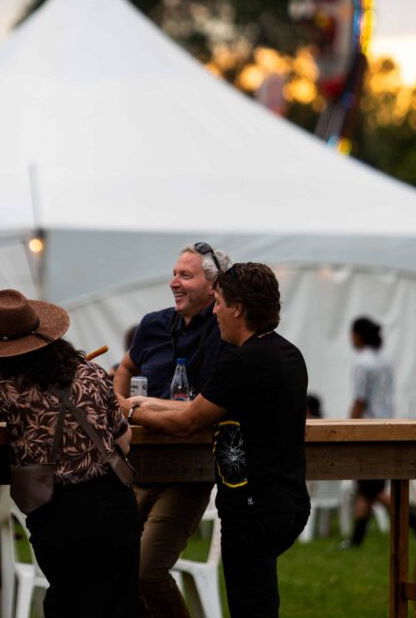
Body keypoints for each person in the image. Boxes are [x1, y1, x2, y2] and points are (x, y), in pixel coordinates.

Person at [129, 262, 310, 618]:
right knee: (260, 602)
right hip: (288, 500)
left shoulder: (242, 362)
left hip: (253, 506)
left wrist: (129, 412)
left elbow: (186, 422)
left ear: (238, 309)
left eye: (219, 303)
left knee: (251, 607)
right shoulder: (288, 354)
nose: (214, 312)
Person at [0, 289, 141, 618]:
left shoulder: (6, 388)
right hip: (116, 506)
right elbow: (124, 439)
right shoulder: (93, 373)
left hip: (58, 513)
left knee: (68, 603)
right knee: (122, 605)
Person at [113, 241, 231, 618]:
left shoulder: (223, 330)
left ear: (214, 287)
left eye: (185, 275)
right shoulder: (153, 324)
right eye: (174, 273)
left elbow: (200, 413)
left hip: (186, 472)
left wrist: (133, 410)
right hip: (135, 467)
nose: (173, 282)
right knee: (115, 570)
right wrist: (119, 407)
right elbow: (126, 368)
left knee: (147, 571)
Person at [342, 316, 416, 548]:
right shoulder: (385, 361)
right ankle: (356, 541)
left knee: (372, 488)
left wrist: (349, 428)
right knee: (366, 487)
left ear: (358, 335)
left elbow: (359, 400)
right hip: (386, 425)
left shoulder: (362, 363)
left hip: (367, 429)